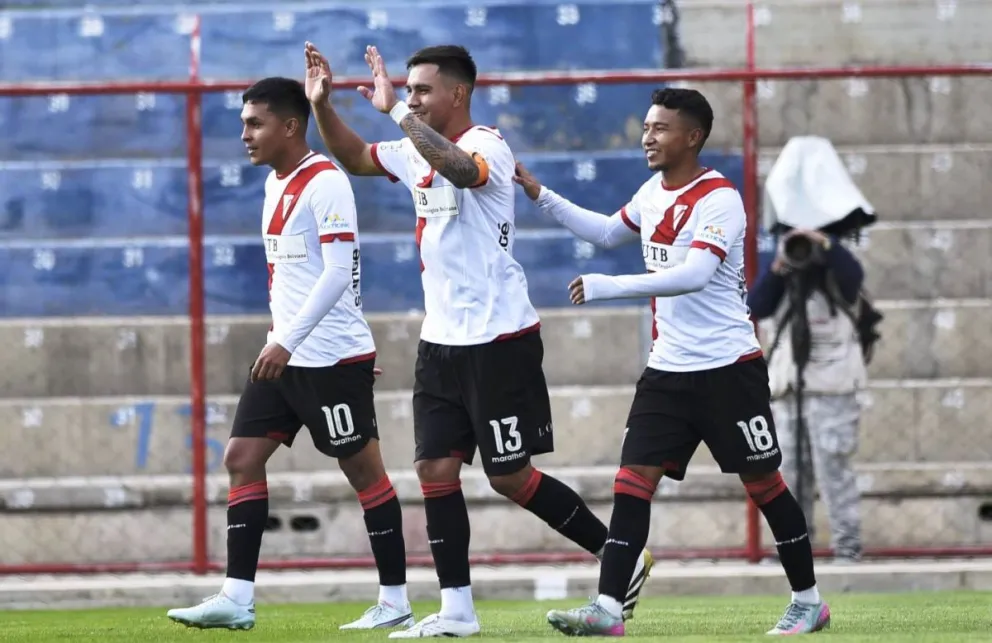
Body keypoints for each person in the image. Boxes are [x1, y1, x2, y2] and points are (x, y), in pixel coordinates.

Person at [303, 42, 653, 638]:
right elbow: (357, 157)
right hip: (440, 341)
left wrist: (395, 113)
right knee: (434, 469)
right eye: (408, 90)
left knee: (509, 476)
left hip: (499, 340)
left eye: (422, 90)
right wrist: (321, 106)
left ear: (458, 93)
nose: (413, 98)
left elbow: (462, 172)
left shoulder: (486, 144)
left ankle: (617, 553)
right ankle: (457, 611)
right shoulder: (413, 150)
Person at [514, 87, 830, 637]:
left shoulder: (719, 199)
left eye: (659, 128)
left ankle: (809, 602)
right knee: (631, 482)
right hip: (667, 370)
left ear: (693, 137)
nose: (647, 137)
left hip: (728, 369)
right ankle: (608, 609)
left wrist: (609, 286)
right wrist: (542, 195)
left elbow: (694, 275)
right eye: (645, 127)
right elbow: (606, 232)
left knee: (764, 484)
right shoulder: (651, 193)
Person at [166, 77, 411, 632]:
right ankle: (237, 597)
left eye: (256, 123)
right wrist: (280, 338)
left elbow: (338, 274)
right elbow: (293, 277)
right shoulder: (274, 184)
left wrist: (294, 341)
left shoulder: (327, 182)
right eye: (244, 124)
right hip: (285, 353)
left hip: (328, 360)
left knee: (364, 473)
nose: (245, 135)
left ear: (291, 126)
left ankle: (395, 600)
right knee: (241, 457)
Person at [748, 226, 867, 563]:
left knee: (834, 470)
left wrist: (824, 243)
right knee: (789, 474)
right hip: (789, 387)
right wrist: (780, 264)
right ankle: (794, 547)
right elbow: (757, 305)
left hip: (833, 386)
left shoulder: (836, 273)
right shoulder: (785, 275)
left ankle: (847, 545)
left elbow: (854, 277)